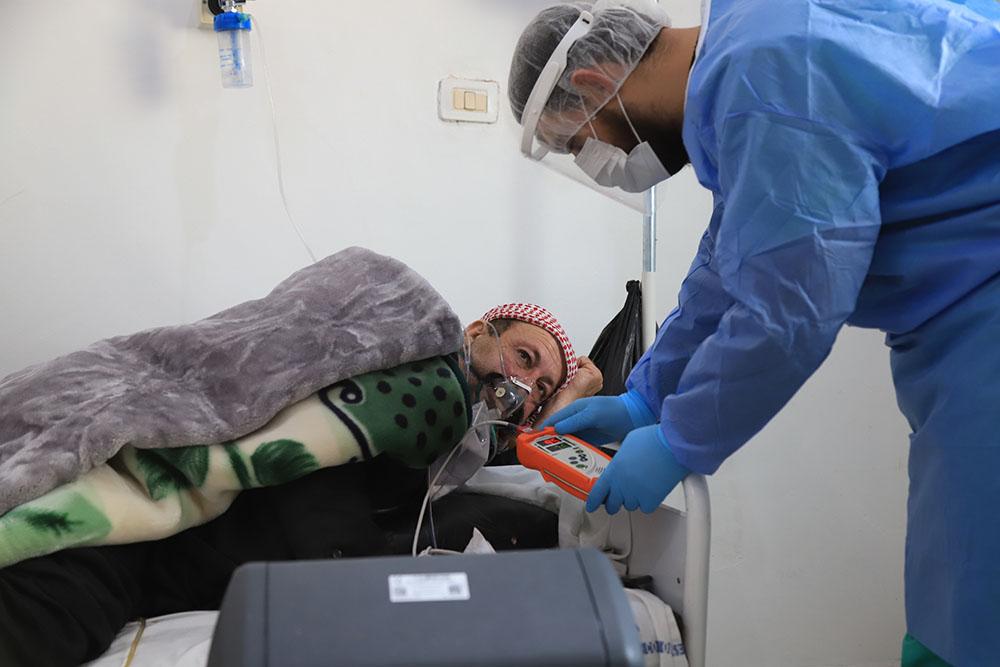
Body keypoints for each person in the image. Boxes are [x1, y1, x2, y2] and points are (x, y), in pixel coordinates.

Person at [508, 1, 1000, 665]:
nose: (601, 162)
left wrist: (681, 440)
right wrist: (645, 398)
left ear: (597, 84)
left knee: (974, 601)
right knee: (960, 579)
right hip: (963, 314)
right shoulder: (745, 52)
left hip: (983, 308)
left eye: (580, 144)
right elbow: (730, 263)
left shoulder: (764, 77)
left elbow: (792, 307)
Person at [0, 303, 602, 666]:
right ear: (478, 331)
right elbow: (316, 468)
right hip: (141, 532)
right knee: (49, 618)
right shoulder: (413, 379)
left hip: (169, 563)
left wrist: (565, 399)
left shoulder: (450, 445)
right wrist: (364, 596)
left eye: (540, 390)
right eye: (524, 359)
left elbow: (497, 448)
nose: (522, 388)